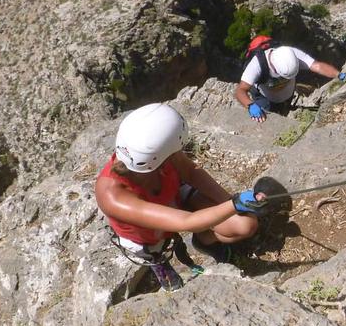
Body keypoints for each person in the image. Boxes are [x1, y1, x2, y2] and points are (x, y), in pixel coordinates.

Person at [95, 103, 264, 290]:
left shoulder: (155, 153)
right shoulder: (112, 196)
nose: (178, 154)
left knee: (245, 224)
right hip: (146, 236)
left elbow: (191, 173)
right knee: (161, 264)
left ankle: (205, 242)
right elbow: (186, 222)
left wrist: (227, 200)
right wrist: (234, 205)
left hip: (175, 196)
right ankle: (159, 264)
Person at [235, 43, 346, 122]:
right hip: (265, 98)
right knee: (266, 121)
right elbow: (240, 90)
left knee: (283, 111)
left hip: (287, 95)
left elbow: (317, 66)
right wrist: (250, 105)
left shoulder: (292, 54)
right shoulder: (257, 65)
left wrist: (338, 75)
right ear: (275, 68)